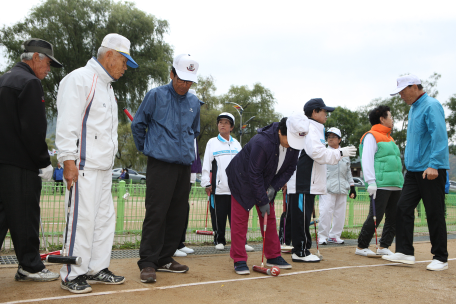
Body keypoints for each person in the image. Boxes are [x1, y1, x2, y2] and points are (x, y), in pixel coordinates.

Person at [56, 33, 138, 293]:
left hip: (103, 169)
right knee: (82, 220)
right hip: (83, 167)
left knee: (104, 220)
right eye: (124, 62)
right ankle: (72, 273)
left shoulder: (108, 88)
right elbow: (67, 124)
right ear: (110, 54)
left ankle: (95, 267)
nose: (125, 68)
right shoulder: (79, 79)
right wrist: (67, 160)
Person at [131, 54, 200, 283]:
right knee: (156, 213)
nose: (184, 85)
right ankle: (148, 262)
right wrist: (149, 148)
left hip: (183, 166)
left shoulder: (193, 102)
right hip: (160, 164)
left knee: (178, 214)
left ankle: (165, 257)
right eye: (181, 79)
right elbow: (138, 124)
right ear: (171, 74)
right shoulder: (155, 95)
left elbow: (195, 132)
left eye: (189, 81)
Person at [0, 38, 62, 282]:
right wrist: (43, 162)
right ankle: (31, 266)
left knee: (3, 215)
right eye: (47, 63)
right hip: (21, 164)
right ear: (35, 57)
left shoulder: (4, 79)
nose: (48, 69)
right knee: (25, 215)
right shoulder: (30, 82)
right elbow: (34, 128)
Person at [226, 113, 309, 275]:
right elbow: (254, 173)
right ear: (281, 132)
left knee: (269, 217)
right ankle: (239, 259)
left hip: (265, 181)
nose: (293, 145)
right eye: (290, 140)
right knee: (240, 220)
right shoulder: (261, 142)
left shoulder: (295, 145)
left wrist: (273, 188)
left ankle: (273, 255)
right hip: (242, 179)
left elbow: (290, 168)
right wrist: (262, 200)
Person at [382, 75, 450, 271]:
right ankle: (405, 252)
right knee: (402, 208)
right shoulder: (414, 108)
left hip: (430, 169)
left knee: (434, 212)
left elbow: (439, 136)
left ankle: (440, 257)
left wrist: (435, 164)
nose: (401, 96)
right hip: (413, 171)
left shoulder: (431, 105)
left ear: (414, 87)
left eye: (403, 91)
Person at [288, 99, 356, 263]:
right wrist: (340, 153)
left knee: (303, 218)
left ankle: (302, 249)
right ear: (314, 112)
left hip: (308, 182)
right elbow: (317, 153)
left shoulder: (314, 128)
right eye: (324, 111)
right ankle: (300, 251)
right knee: (301, 218)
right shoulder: (310, 128)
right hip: (303, 181)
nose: (326, 114)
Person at [355, 106, 403, 257]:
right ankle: (362, 246)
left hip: (395, 184)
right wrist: (371, 182)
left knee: (394, 217)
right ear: (382, 119)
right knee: (377, 215)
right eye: (390, 116)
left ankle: (384, 246)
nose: (392, 119)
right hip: (380, 184)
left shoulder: (390, 138)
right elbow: (367, 159)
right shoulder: (371, 136)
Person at [201, 112, 247, 251]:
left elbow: (242, 165)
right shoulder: (212, 142)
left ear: (231, 127)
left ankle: (240, 242)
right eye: (220, 122)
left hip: (235, 189)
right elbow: (206, 164)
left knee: (236, 218)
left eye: (226, 123)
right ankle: (219, 240)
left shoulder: (236, 143)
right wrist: (206, 183)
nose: (222, 124)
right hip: (218, 188)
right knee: (218, 216)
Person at [318, 127, 356, 245]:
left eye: (333, 137)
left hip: (342, 187)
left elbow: (348, 171)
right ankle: (322, 236)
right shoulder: (325, 152)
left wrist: (352, 186)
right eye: (329, 136)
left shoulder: (345, 154)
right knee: (325, 212)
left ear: (339, 140)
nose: (330, 139)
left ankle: (334, 235)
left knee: (340, 213)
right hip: (327, 187)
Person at [175, 89, 201, 257]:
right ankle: (172, 244)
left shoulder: (193, 131)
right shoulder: (179, 126)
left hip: (189, 172)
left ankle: (179, 241)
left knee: (183, 207)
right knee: (175, 208)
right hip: (177, 170)